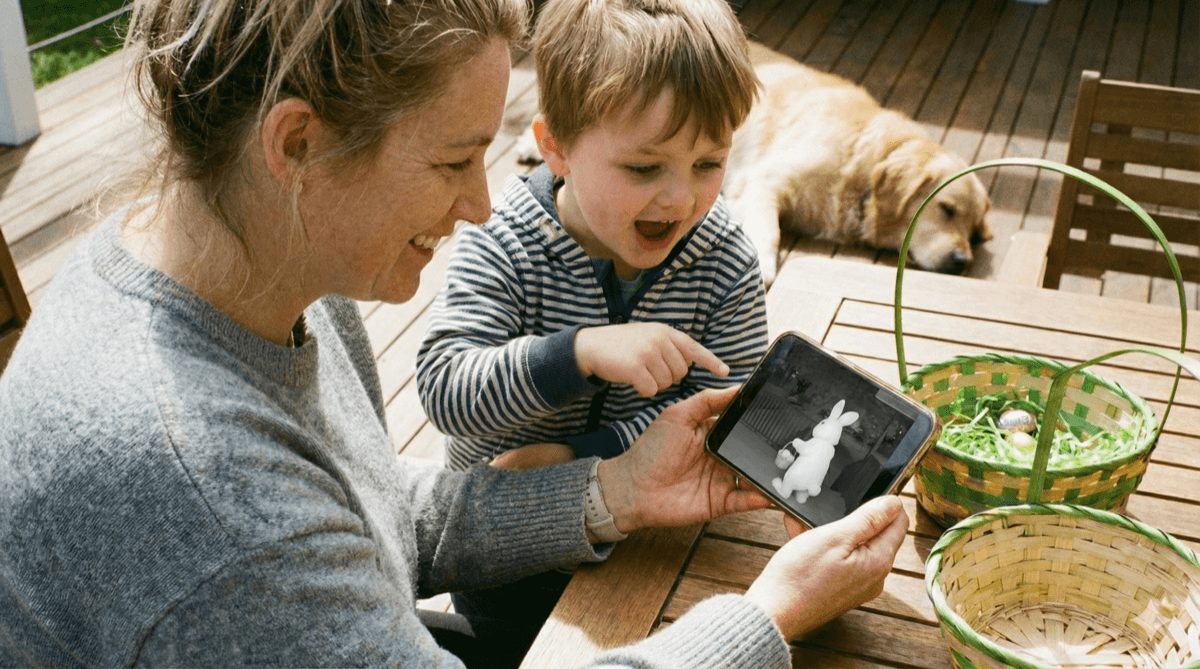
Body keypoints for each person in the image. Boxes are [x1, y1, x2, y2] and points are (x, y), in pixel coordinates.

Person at [0, 0, 908, 667]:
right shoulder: (210, 498)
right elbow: (278, 543)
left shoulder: (258, 278)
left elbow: (371, 508)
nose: (481, 204)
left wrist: (614, 490)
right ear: (298, 143)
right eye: (450, 159)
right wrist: (766, 617)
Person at [414, 0, 768, 651]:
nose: (681, 197)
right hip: (506, 554)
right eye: (644, 167)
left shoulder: (725, 259)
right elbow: (446, 389)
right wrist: (575, 352)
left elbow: (734, 404)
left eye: (709, 162)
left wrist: (580, 455)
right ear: (557, 148)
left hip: (660, 550)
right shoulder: (503, 244)